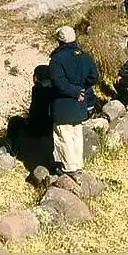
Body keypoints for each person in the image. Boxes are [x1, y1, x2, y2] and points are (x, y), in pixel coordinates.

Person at [48, 26, 99, 179]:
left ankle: (69, 169)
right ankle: (77, 165)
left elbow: (58, 82)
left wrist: (75, 91)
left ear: (59, 41)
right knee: (77, 133)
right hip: (80, 104)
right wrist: (82, 89)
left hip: (64, 104)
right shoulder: (84, 56)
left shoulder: (57, 59)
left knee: (64, 136)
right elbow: (94, 77)